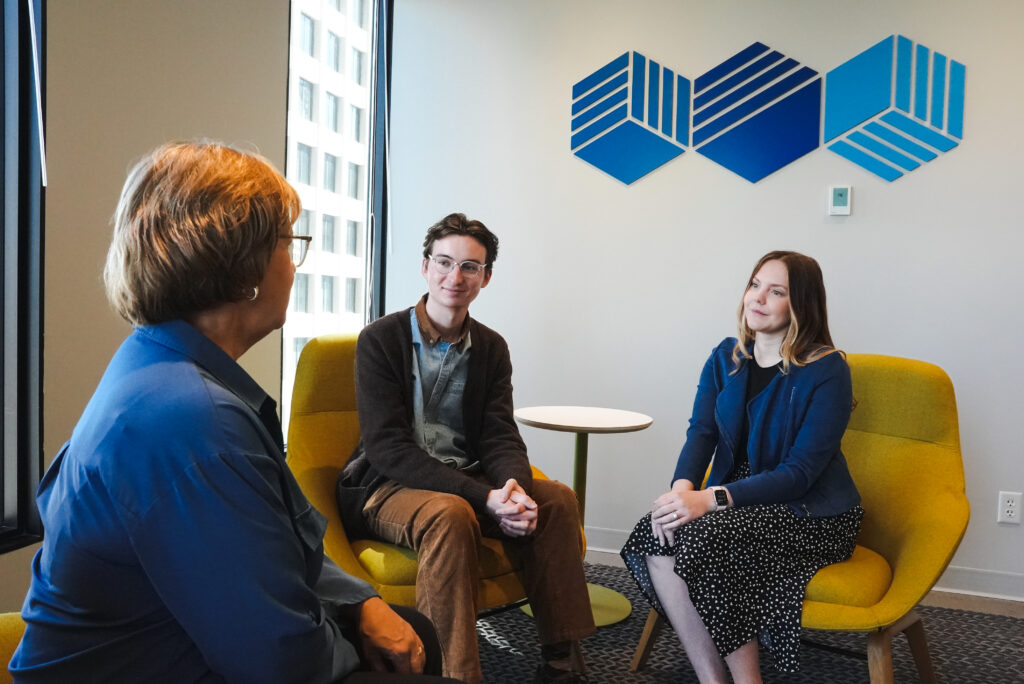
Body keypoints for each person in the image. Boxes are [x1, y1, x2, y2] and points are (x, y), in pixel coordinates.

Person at [10, 142, 462, 684]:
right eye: (288, 245)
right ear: (244, 266)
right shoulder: (197, 421)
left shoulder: (157, 362)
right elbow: (282, 663)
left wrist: (361, 603)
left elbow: (286, 542)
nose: (294, 267)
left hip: (175, 640)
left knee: (415, 631)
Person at [336, 213, 595, 683]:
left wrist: (513, 486)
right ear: (425, 267)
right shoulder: (381, 339)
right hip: (388, 486)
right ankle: (452, 674)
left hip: (466, 481)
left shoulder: (492, 348)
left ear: (486, 278)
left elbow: (498, 433)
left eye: (470, 267)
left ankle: (560, 663)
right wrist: (486, 499)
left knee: (556, 499)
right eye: (444, 262)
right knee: (450, 514)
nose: (455, 277)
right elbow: (387, 447)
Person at [620, 251, 864, 684]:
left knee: (703, 543)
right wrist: (681, 494)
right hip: (737, 506)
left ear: (800, 304)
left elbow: (800, 474)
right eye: (755, 285)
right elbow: (701, 435)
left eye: (777, 291)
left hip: (812, 515)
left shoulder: (827, 370)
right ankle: (712, 678)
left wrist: (707, 499)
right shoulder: (726, 357)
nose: (759, 298)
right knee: (656, 531)